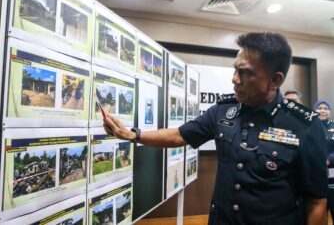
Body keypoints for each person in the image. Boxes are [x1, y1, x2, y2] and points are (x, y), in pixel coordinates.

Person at [103, 32, 328, 225]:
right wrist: (133, 135)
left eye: (245, 72)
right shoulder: (224, 110)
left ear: (275, 80)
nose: (234, 79)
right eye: (234, 70)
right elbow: (180, 135)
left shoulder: (304, 125)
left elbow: (316, 200)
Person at [314, 100, 334, 223]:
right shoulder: (309, 128)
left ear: (330, 111)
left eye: (325, 108)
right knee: (319, 218)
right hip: (316, 178)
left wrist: (328, 160)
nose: (322, 110)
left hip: (333, 178)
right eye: (319, 108)